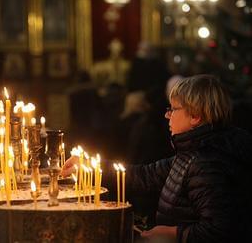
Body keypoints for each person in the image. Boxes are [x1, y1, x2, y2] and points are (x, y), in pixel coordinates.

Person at [62, 74, 252, 242]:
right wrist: (91, 167)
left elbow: (220, 230)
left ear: (194, 116)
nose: (167, 115)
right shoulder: (192, 152)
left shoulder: (207, 162)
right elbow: (145, 175)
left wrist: (171, 234)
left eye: (174, 109)